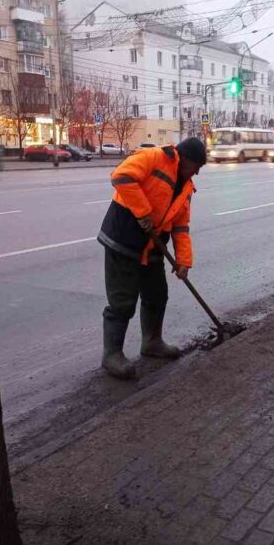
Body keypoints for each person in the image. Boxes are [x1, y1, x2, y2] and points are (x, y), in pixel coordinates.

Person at [97, 137, 207, 379]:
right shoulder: (155, 157)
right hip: (123, 239)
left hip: (154, 247)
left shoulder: (186, 186)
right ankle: (112, 355)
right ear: (185, 158)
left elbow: (180, 226)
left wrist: (183, 261)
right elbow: (121, 176)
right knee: (123, 301)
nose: (197, 172)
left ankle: (152, 342)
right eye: (197, 166)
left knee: (157, 295)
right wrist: (143, 211)